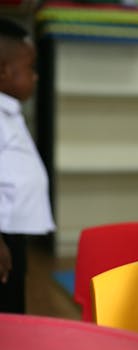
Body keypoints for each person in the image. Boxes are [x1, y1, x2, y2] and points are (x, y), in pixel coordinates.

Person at [0, 18, 55, 314]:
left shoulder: (9, 111)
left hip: (11, 234)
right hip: (2, 233)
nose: (35, 77)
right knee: (7, 308)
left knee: (13, 301)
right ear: (3, 71)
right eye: (30, 68)